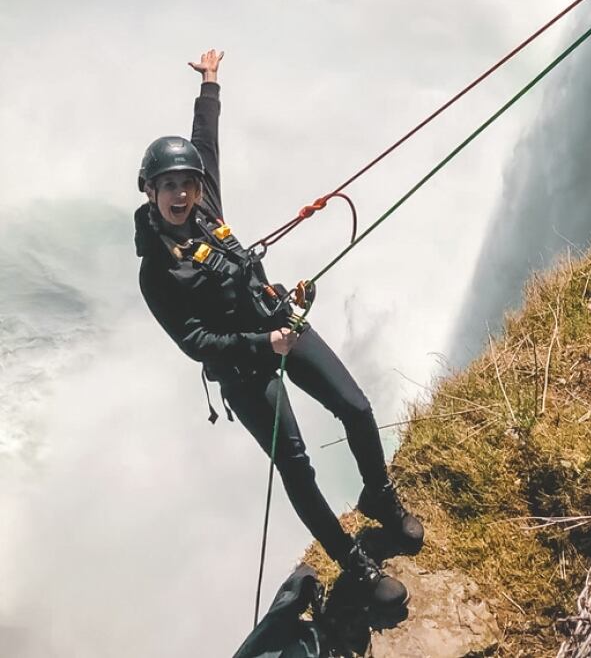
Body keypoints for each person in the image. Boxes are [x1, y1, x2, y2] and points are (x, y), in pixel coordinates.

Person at [134, 49, 423, 608]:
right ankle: (356, 567)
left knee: (357, 408)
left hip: (277, 319)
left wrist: (211, 84)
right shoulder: (156, 273)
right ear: (149, 191)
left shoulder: (205, 207)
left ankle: (379, 498)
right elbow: (196, 343)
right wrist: (263, 343)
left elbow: (207, 141)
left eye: (186, 183)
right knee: (296, 465)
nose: (181, 193)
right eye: (168, 185)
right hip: (245, 369)